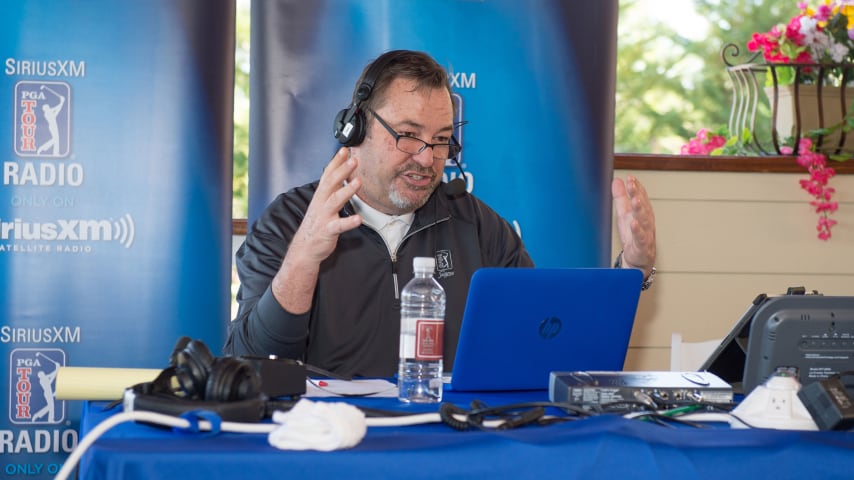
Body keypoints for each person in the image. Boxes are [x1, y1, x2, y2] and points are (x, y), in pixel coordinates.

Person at [224, 50, 656, 378]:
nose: (428, 159)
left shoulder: (479, 226)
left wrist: (631, 271)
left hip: (450, 444)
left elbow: (549, 348)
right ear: (356, 128)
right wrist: (304, 256)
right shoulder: (287, 223)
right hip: (330, 446)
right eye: (409, 136)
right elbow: (253, 363)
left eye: (442, 140)